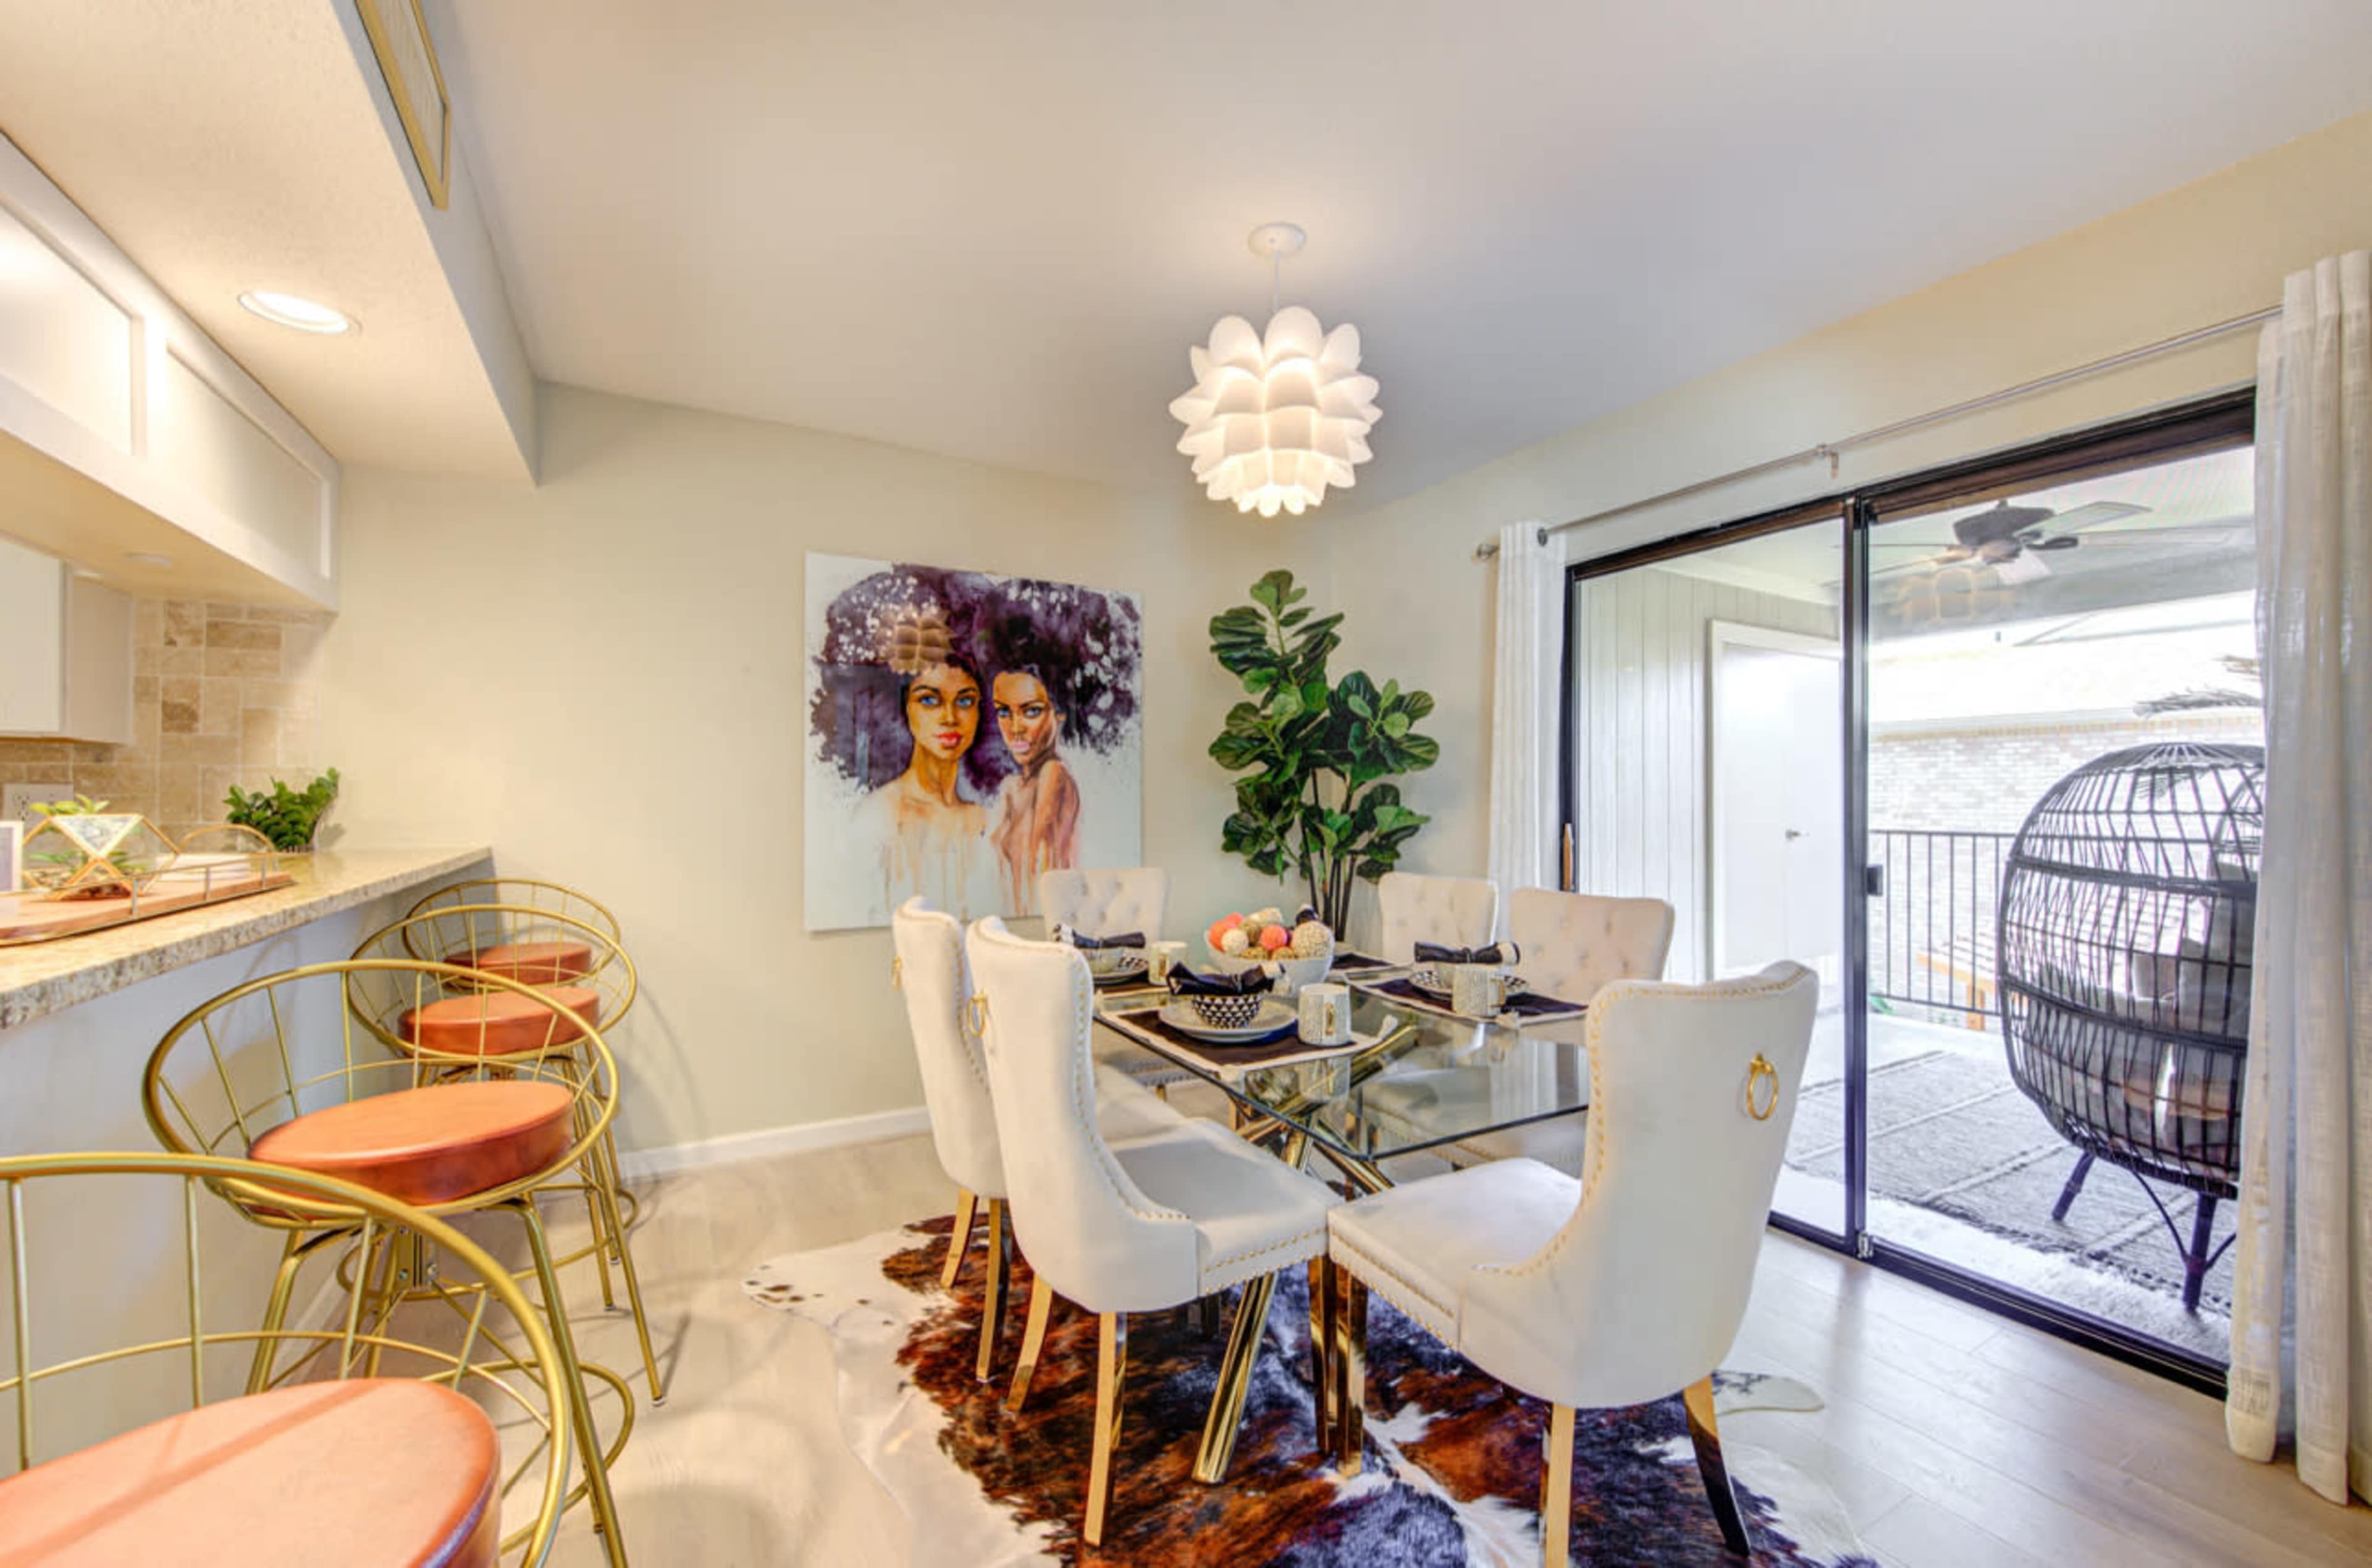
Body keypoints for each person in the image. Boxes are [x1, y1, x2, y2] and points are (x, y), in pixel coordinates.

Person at [989, 666, 1080, 909]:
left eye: (1031, 711)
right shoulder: (1012, 788)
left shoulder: (1054, 775)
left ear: (1059, 713)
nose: (1015, 728)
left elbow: (1042, 873)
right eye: (1004, 712)